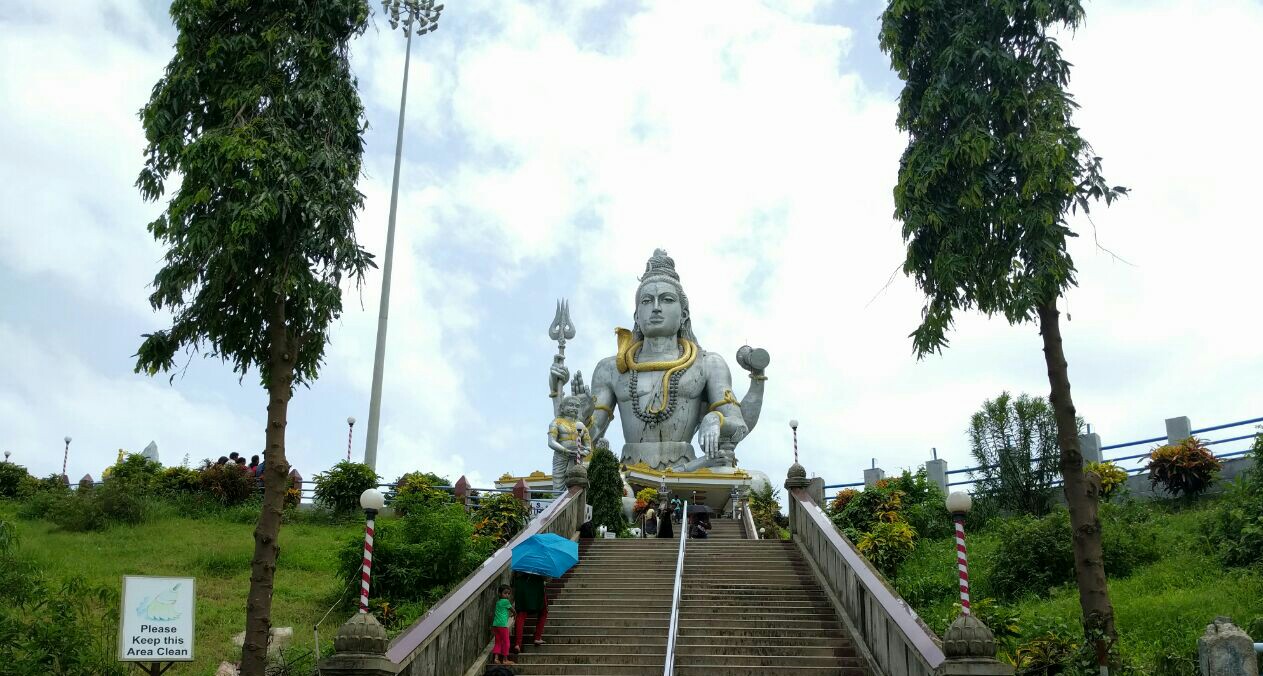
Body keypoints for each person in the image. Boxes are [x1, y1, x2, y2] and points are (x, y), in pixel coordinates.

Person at [511, 572, 549, 653]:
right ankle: (537, 637)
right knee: (543, 612)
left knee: (521, 615)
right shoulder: (541, 562)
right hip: (536, 587)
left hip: (522, 587)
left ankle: (517, 644)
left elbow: (516, 575)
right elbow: (546, 578)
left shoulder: (522, 561)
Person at [490, 585, 515, 666]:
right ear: (500, 594)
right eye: (505, 593)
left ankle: (496, 658)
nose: (507, 595)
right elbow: (512, 609)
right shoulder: (506, 602)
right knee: (506, 642)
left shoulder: (498, 602)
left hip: (495, 625)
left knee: (498, 642)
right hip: (502, 626)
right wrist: (515, 614)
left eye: (508, 593)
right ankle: (505, 659)